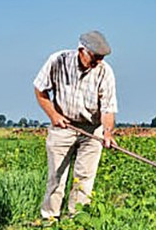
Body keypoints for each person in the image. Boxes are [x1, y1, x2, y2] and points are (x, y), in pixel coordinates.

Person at [32, 30, 119, 219]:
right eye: (95, 57)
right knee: (56, 177)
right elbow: (40, 90)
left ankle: (77, 221)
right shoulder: (58, 61)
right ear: (82, 51)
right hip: (63, 127)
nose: (98, 62)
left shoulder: (105, 72)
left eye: (101, 58)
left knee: (85, 179)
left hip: (91, 130)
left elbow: (108, 107)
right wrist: (53, 115)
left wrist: (107, 133)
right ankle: (49, 219)